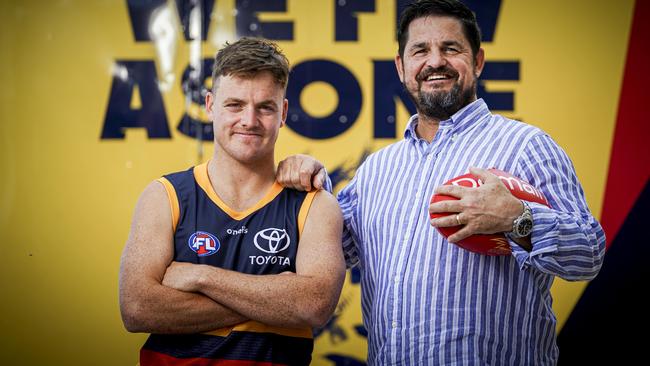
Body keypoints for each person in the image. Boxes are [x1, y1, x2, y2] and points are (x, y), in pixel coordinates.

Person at [276, 0, 606, 364]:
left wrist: (517, 219)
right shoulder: (376, 170)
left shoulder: (527, 147)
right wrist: (309, 184)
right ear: (402, 67)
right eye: (420, 50)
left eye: (451, 48)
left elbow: (589, 255)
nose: (435, 62)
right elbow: (327, 253)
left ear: (477, 61)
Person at [118, 37, 346, 366]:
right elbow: (137, 309)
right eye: (234, 105)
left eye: (265, 107)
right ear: (210, 106)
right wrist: (275, 298)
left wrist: (201, 278)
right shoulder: (164, 195)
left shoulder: (313, 204)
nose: (249, 121)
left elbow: (313, 306)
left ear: (282, 113)